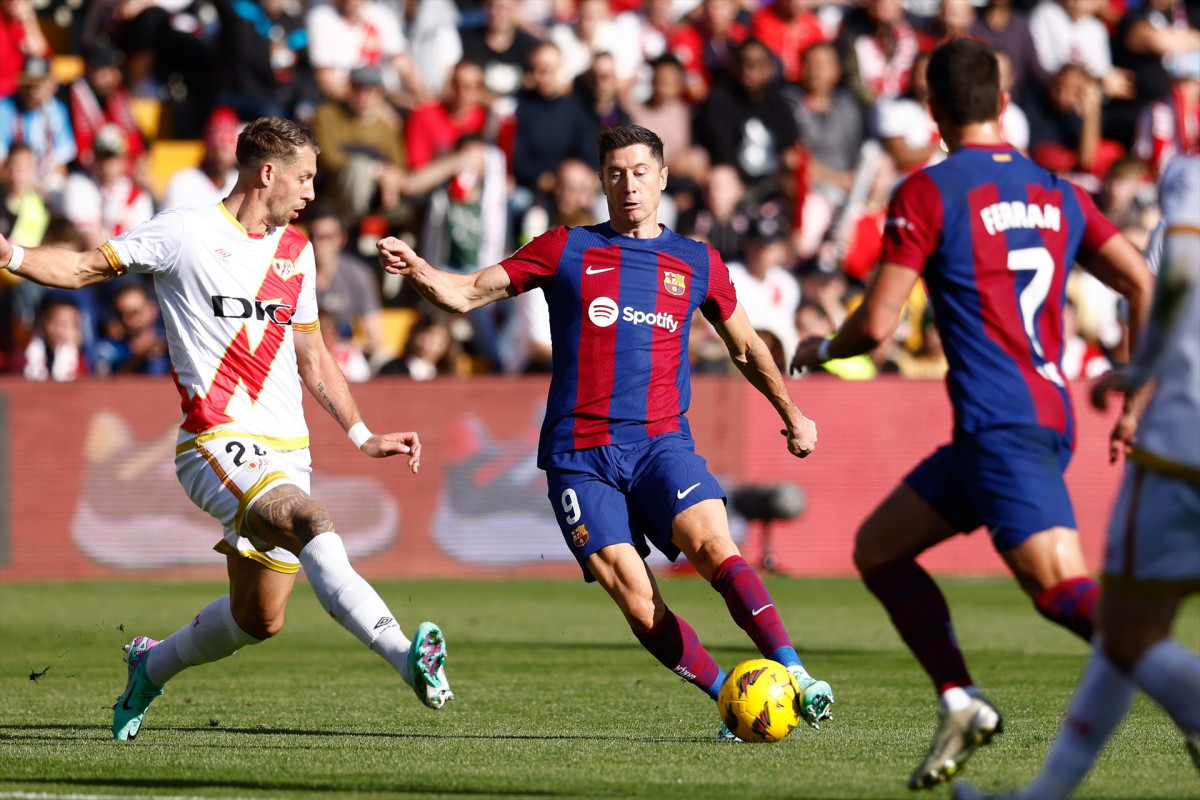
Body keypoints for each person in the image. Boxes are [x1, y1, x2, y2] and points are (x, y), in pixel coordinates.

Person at [0, 116, 452, 741]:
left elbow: (313, 356)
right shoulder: (184, 232)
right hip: (215, 442)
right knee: (310, 519)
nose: (312, 194)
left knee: (257, 619)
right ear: (268, 173)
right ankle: (408, 658)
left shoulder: (296, 252)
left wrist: (360, 433)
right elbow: (81, 268)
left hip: (287, 450)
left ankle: (149, 665)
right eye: (306, 179)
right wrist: (13, 255)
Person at [377, 123, 834, 736]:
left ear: (664, 178)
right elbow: (465, 295)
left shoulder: (696, 261)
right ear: (601, 181)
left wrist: (792, 414)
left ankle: (796, 673)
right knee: (638, 598)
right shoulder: (565, 248)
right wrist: (421, 271)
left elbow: (747, 347)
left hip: (660, 443)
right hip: (578, 455)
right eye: (616, 173)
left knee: (713, 547)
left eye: (641, 171)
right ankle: (730, 698)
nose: (629, 185)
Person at [790, 38, 1154, 789]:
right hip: (1036, 416)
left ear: (933, 111)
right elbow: (1142, 284)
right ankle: (960, 699)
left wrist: (820, 344)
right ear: (1004, 103)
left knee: (1059, 589)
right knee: (878, 550)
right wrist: (1137, 396)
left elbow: (879, 325)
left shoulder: (929, 191)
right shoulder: (1058, 190)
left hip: (1000, 421)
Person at [952, 154, 1200, 799]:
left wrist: (1141, 375)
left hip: (1185, 442)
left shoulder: (1190, 176)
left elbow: (1177, 271)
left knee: (1126, 628)